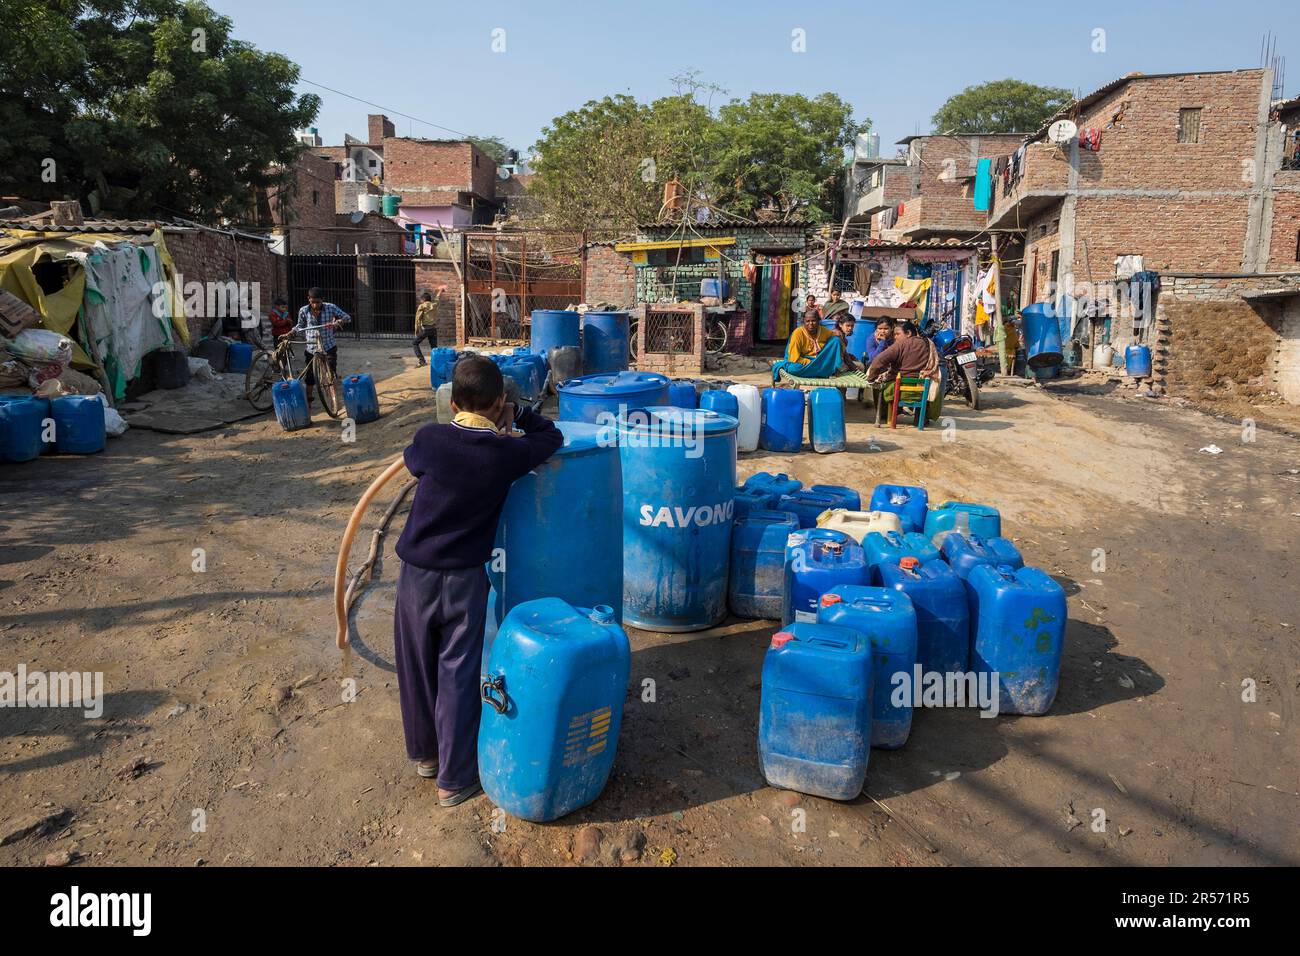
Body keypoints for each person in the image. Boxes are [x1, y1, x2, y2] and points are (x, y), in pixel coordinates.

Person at [393, 355, 563, 806]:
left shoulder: (430, 439)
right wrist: (519, 415)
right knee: (457, 673)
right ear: (500, 401)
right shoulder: (506, 453)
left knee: (417, 665)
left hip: (416, 576)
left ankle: (425, 756)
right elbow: (552, 436)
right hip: (465, 579)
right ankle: (453, 779)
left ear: (451, 403)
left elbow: (412, 462)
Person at [867, 319, 943, 422]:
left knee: (879, 386)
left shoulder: (900, 345)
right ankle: (921, 419)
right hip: (923, 390)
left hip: (900, 390)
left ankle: (884, 415)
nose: (895, 337)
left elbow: (877, 361)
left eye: (898, 334)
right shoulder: (928, 344)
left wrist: (871, 379)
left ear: (908, 333)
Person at [293, 287, 350, 397]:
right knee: (310, 376)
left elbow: (347, 317)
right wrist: (291, 332)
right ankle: (309, 400)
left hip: (328, 345)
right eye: (312, 302)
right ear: (308, 299)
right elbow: (299, 326)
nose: (315, 305)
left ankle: (334, 398)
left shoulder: (330, 307)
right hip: (311, 347)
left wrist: (339, 321)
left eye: (318, 302)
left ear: (322, 300)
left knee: (331, 370)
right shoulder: (303, 310)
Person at [412, 287, 446, 367]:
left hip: (425, 329)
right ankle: (437, 362)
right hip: (433, 329)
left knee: (414, 343)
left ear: (423, 300)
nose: (420, 301)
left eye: (421, 300)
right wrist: (440, 291)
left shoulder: (422, 306)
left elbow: (417, 318)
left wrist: (417, 330)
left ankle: (422, 361)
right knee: (434, 347)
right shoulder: (434, 305)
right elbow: (437, 299)